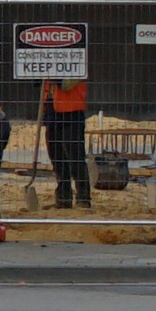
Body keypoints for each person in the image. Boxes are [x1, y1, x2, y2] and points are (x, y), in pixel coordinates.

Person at [37, 47, 95, 211]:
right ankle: (63, 198)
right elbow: (41, 85)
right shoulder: (47, 64)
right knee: (57, 158)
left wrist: (50, 70)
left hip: (71, 113)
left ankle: (83, 198)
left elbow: (65, 84)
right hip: (52, 112)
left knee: (75, 157)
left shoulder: (77, 65)